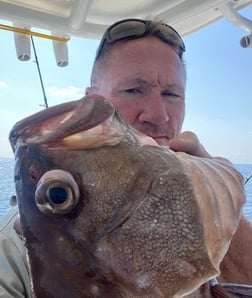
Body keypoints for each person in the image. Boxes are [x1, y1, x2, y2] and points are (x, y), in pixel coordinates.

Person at [0, 18, 251, 297]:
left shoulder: (209, 218)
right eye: (132, 90)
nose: (158, 116)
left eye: (171, 93)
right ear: (92, 100)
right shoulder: (11, 245)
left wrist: (220, 209)